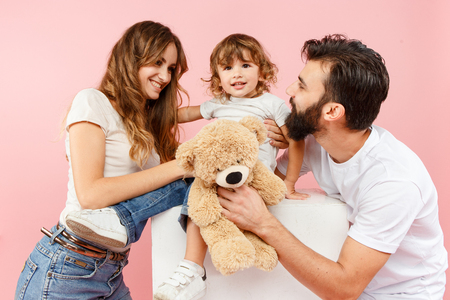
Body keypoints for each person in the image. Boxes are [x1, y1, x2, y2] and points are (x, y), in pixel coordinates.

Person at [218, 34, 448, 299]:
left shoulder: (394, 182)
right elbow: (271, 181)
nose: (290, 90)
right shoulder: (316, 144)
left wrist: (263, 224)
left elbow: (345, 288)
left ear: (331, 113)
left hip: (400, 294)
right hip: (352, 283)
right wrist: (266, 147)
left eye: (302, 87)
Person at [15, 21, 193, 300]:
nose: (165, 76)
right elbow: (90, 194)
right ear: (131, 59)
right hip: (66, 268)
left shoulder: (144, 124)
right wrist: (179, 167)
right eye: (157, 63)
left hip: (110, 272)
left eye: (171, 68)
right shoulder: (92, 102)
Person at [153, 33, 308, 300]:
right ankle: (192, 267)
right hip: (217, 176)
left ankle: (250, 250)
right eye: (227, 68)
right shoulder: (219, 104)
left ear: (262, 71)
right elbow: (186, 113)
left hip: (253, 176)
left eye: (245, 65)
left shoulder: (272, 104)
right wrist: (151, 113)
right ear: (218, 77)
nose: (236, 74)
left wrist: (289, 181)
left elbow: (295, 140)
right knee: (198, 198)